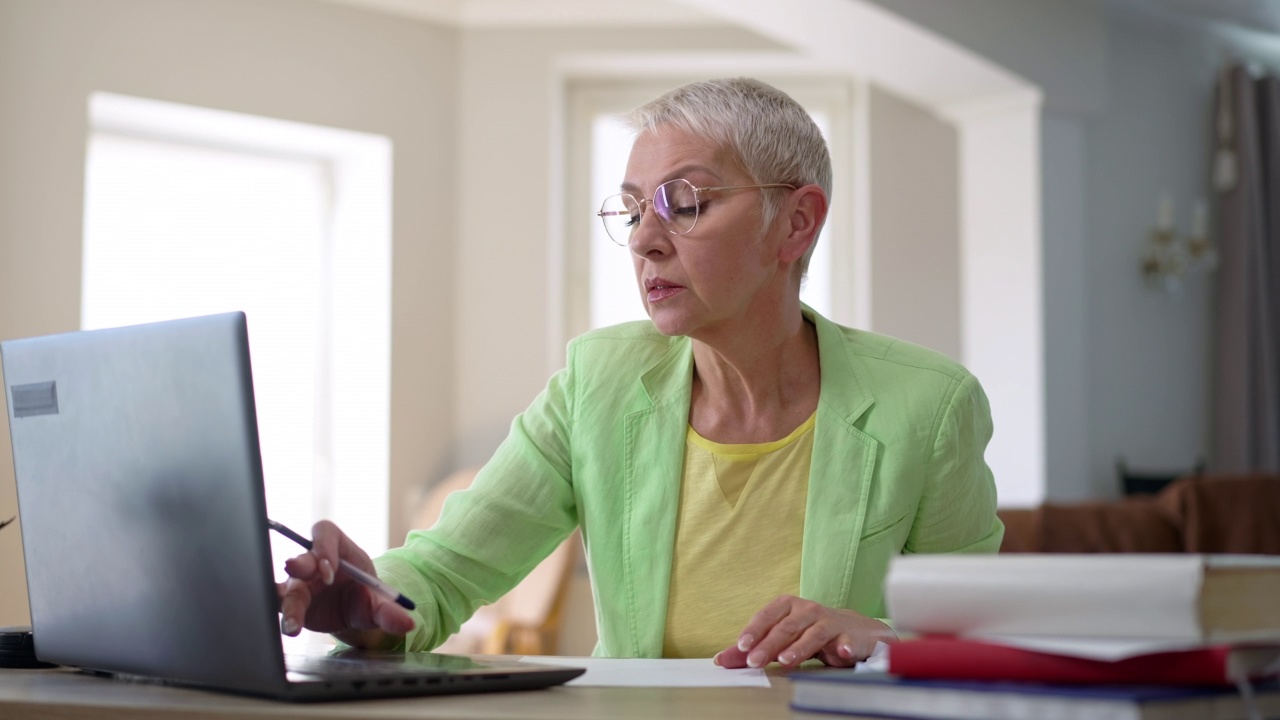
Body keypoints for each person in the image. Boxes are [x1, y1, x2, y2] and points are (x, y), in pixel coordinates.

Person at [278, 77, 1003, 669]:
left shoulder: (929, 406)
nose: (646, 241)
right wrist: (369, 602)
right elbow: (442, 574)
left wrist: (878, 634)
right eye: (631, 211)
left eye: (684, 204)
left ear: (796, 224)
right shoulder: (597, 380)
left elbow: (983, 639)